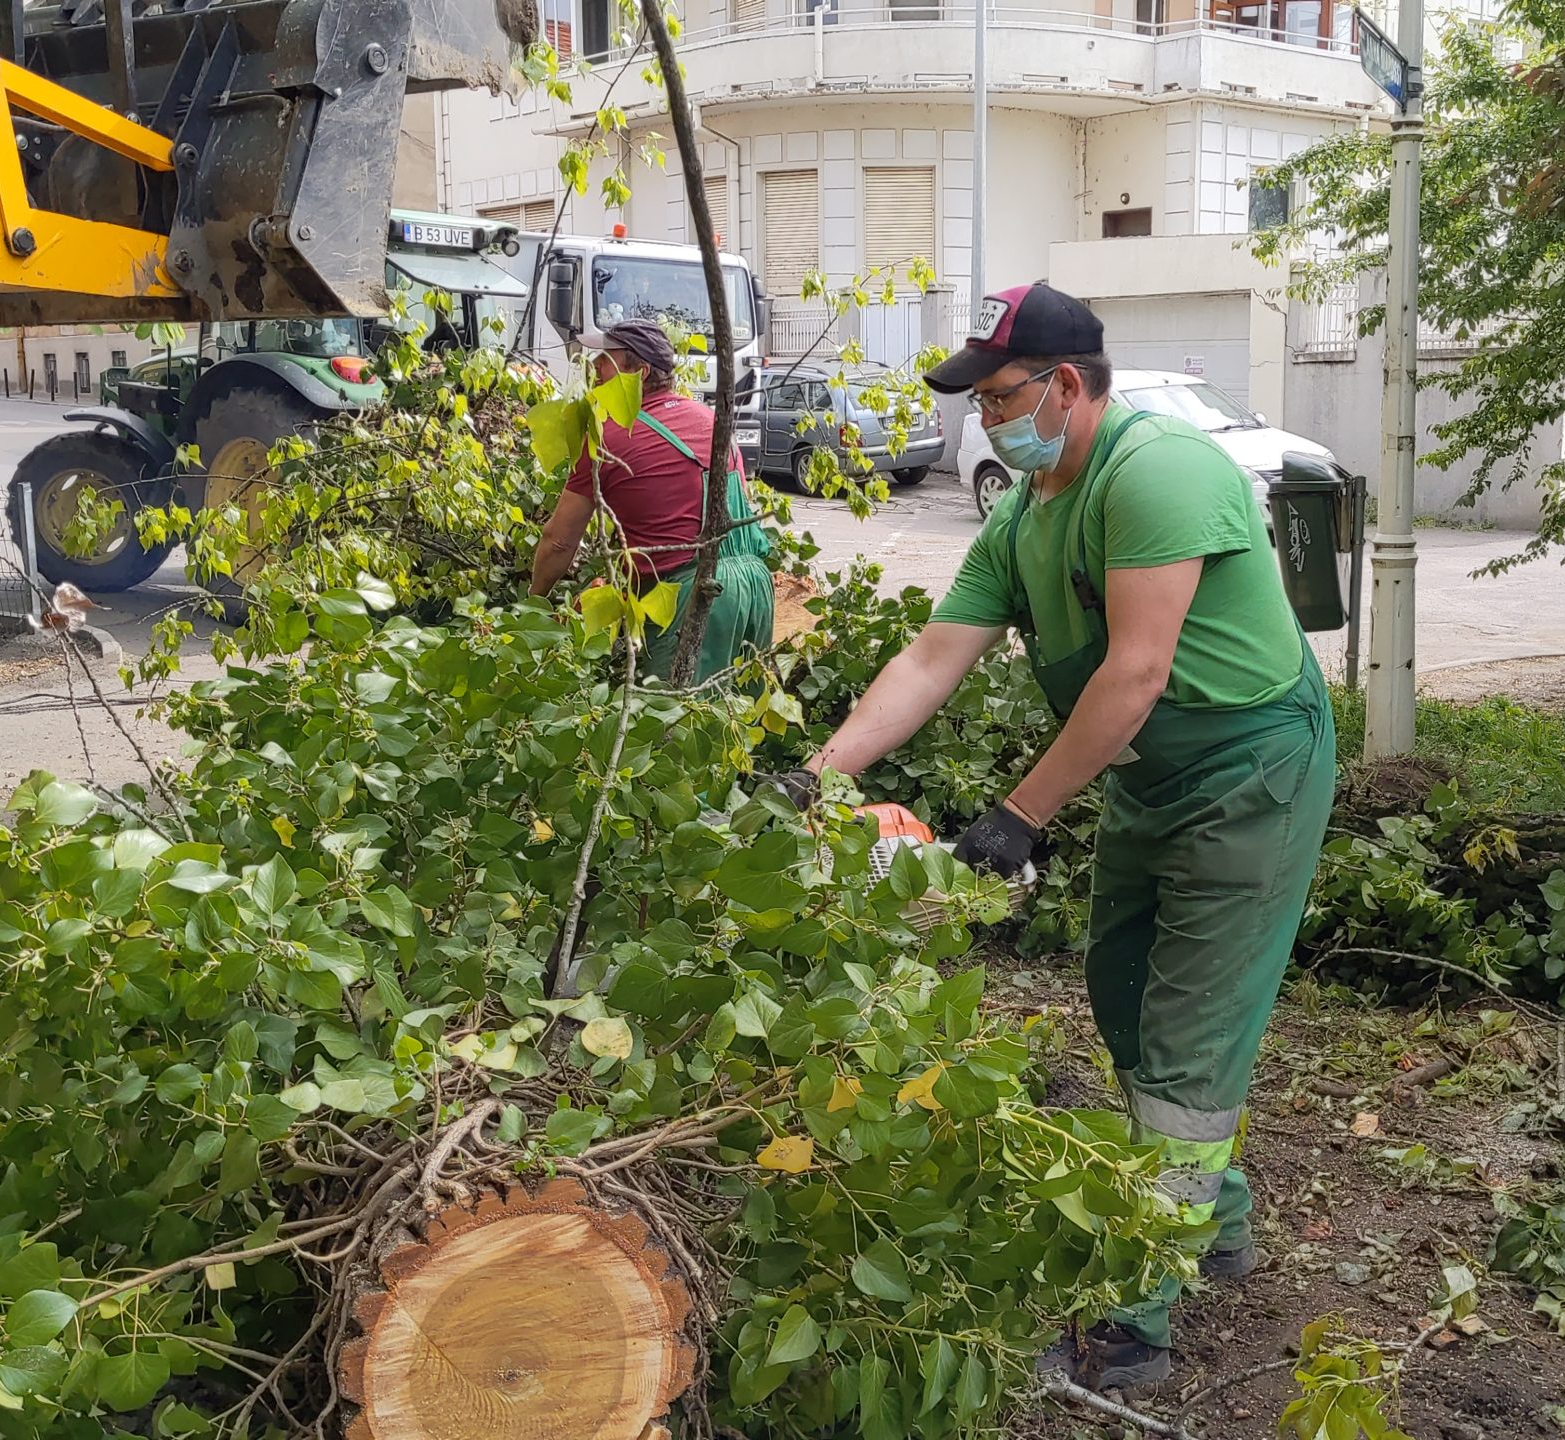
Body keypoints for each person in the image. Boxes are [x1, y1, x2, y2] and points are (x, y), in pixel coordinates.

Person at [763, 282, 1336, 1392]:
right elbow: (934, 656)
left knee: (1182, 1049)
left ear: (1065, 386)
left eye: (999, 396)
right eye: (977, 403)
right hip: (1149, 774)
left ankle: (1131, 1321)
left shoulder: (1155, 471)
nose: (986, 421)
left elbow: (1137, 669)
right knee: (1124, 994)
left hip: (1251, 766)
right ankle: (1215, 1225)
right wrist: (818, 773)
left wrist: (1020, 814)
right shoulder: (1026, 514)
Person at [529, 318, 774, 681]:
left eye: (606, 359)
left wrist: (534, 602)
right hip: (754, 586)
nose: (594, 366)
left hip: (693, 595)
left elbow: (560, 540)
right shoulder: (710, 418)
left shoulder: (608, 439)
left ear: (639, 372)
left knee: (672, 725)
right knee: (740, 717)